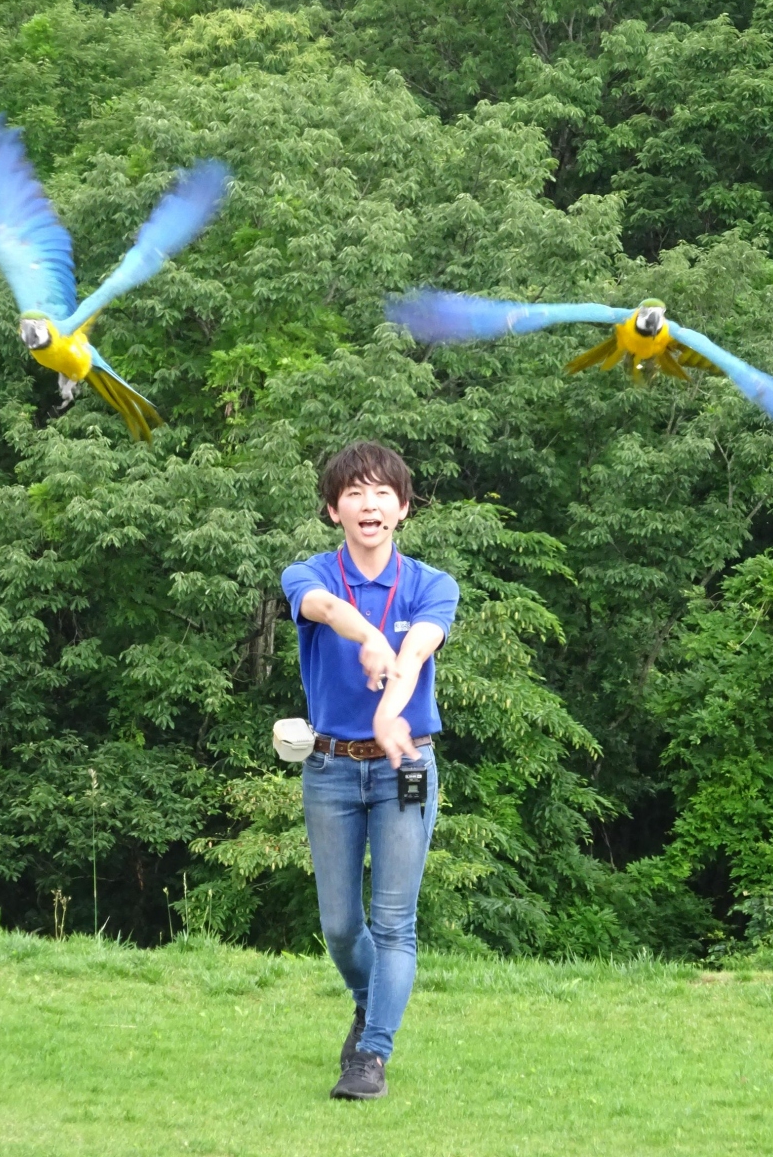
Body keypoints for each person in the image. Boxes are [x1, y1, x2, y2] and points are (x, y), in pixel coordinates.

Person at [280, 441, 459, 1101]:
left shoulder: (432, 585)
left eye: (382, 492)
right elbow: (326, 610)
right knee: (338, 926)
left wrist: (389, 710)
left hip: (404, 766)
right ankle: (371, 1001)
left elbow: (416, 652)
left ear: (403, 507)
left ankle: (371, 1055)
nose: (369, 503)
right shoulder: (308, 574)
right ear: (334, 510)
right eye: (353, 492)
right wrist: (370, 636)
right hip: (329, 768)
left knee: (393, 924)